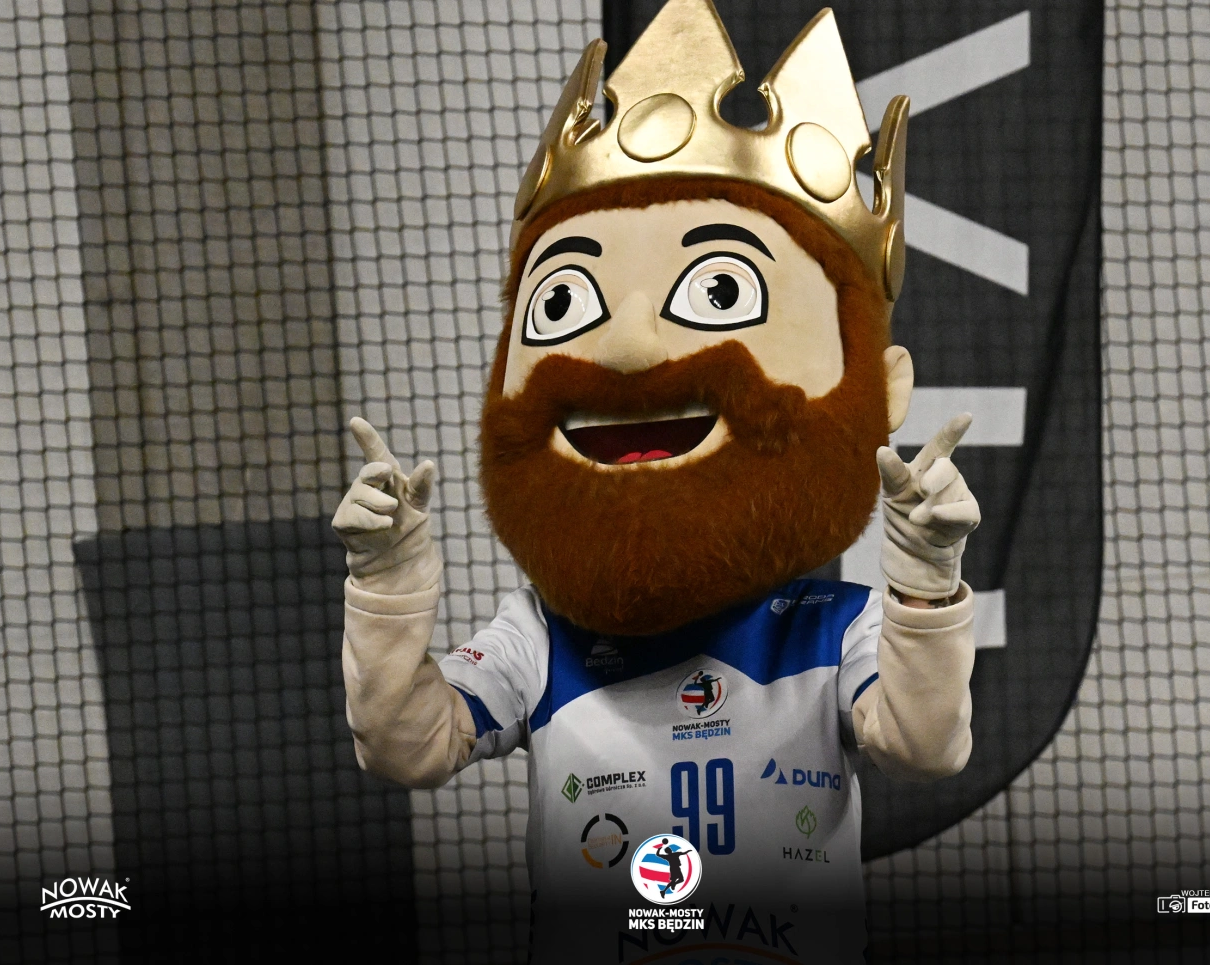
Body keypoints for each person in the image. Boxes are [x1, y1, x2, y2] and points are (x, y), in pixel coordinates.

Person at [333, 1, 978, 961]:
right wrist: (387, 589)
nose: (630, 344)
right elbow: (406, 744)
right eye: (565, 301)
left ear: (880, 392)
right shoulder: (537, 638)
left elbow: (925, 745)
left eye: (721, 290)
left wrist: (924, 581)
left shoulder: (829, 629)